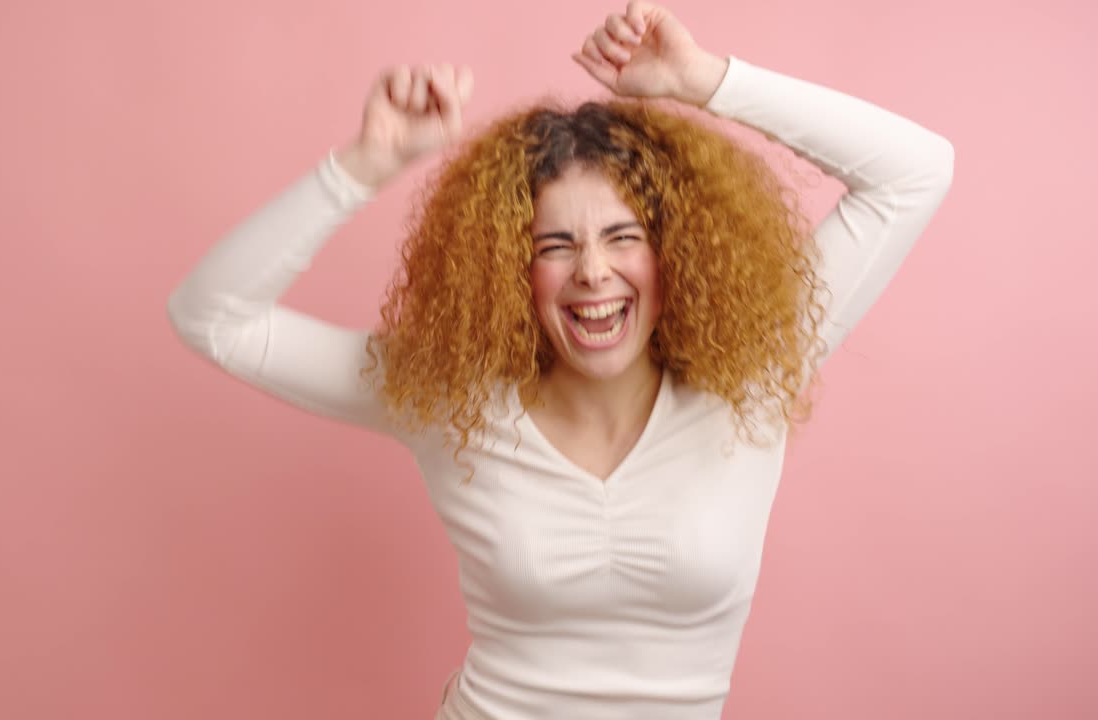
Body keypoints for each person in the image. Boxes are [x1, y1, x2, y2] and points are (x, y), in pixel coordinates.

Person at [166, 2, 955, 718]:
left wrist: (704, 81)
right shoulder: (447, 398)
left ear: (671, 253)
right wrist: (365, 164)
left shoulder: (749, 376)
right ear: (514, 269)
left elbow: (915, 170)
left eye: (623, 238)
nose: (592, 273)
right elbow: (211, 317)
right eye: (556, 246)